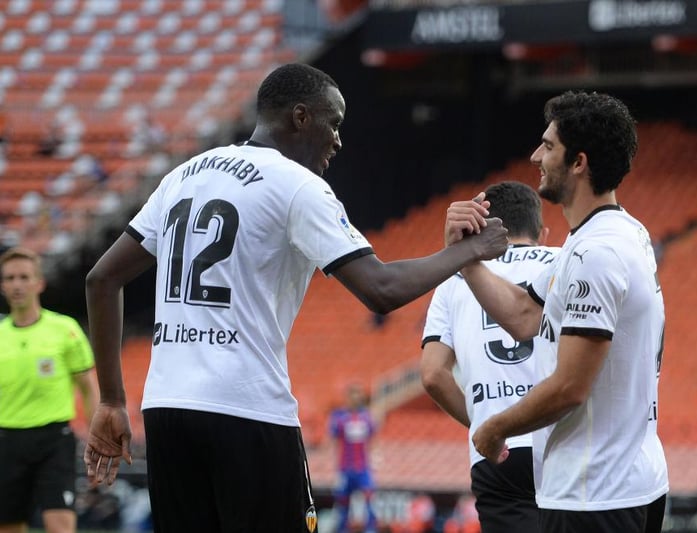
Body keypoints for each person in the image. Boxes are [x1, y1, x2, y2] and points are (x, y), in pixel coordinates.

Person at [82, 62, 508, 533]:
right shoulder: (296, 185)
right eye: (335, 123)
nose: (338, 140)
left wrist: (111, 400)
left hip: (165, 412)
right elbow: (382, 289)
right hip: (246, 410)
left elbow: (101, 280)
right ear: (301, 117)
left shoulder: (184, 175)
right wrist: (472, 250)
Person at [445, 90, 669, 533]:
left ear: (579, 163)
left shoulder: (595, 253)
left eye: (548, 146)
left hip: (594, 493)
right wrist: (467, 262)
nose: (535, 156)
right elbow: (529, 317)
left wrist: (495, 427)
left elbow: (569, 387)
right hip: (626, 480)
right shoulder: (618, 234)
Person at [421, 181, 559, 533]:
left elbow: (434, 375)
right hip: (563, 438)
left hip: (499, 452)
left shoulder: (453, 278)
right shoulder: (564, 261)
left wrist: (486, 425)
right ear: (542, 232)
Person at [0, 246, 98, 533]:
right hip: (6, 440)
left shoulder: (64, 329)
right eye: (10, 278)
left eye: (23, 277)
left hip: (53, 439)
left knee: (59, 524)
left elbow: (89, 389)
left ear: (39, 282)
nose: (17, 285)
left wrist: (96, 442)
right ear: (3, 286)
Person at [329, 382, 379, 533]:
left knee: (370, 499)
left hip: (363, 468)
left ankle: (371, 529)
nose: (356, 398)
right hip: (345, 468)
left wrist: (375, 458)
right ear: (347, 397)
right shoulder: (339, 417)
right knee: (343, 503)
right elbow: (333, 440)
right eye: (353, 395)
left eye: (359, 395)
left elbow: (373, 439)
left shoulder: (367, 418)